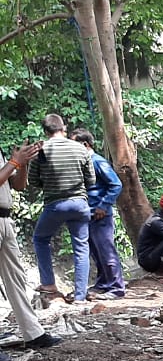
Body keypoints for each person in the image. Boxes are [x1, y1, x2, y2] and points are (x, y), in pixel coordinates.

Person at [0, 143, 62, 361]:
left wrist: (23, 164)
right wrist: (15, 162)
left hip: (5, 219)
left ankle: (33, 333)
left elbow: (17, 185)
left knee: (16, 278)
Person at [28, 114, 94, 303]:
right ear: (63, 128)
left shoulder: (41, 150)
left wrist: (49, 183)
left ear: (45, 131)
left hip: (55, 204)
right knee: (81, 247)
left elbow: (33, 181)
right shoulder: (80, 148)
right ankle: (80, 296)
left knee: (40, 239)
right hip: (80, 204)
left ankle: (48, 284)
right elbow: (91, 180)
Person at [71, 130, 126, 299]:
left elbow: (116, 184)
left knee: (106, 250)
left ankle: (117, 288)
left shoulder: (97, 161)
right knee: (95, 251)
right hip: (88, 213)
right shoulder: (83, 163)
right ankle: (103, 283)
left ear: (85, 145)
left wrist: (104, 205)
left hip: (101, 214)